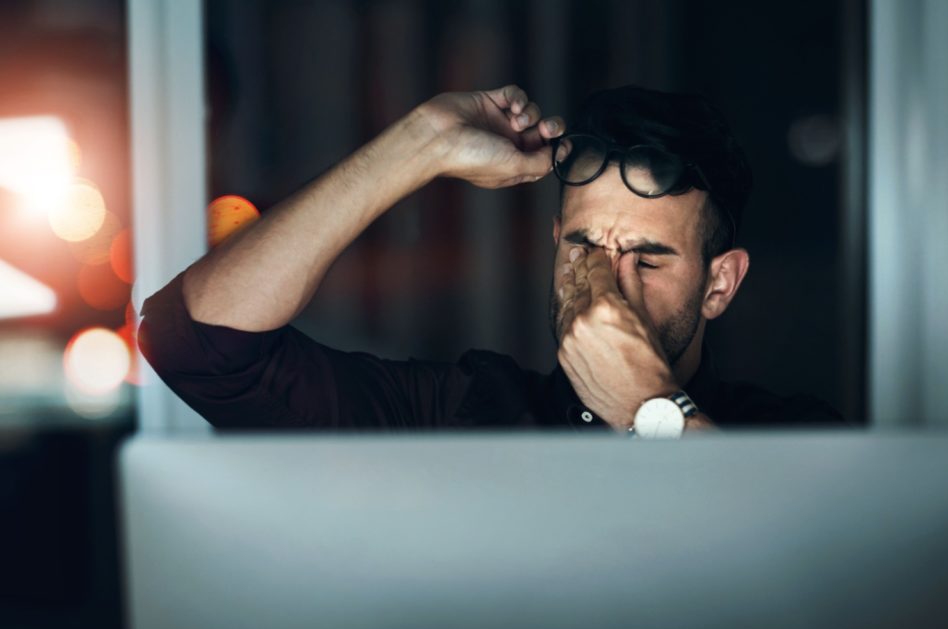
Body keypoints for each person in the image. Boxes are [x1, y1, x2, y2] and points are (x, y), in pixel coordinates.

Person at [139, 84, 841, 435]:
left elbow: (845, 596)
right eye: (584, 246)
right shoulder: (471, 411)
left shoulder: (791, 438)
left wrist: (650, 409)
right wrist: (424, 142)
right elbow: (195, 345)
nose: (609, 290)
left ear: (719, 283)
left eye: (650, 259)